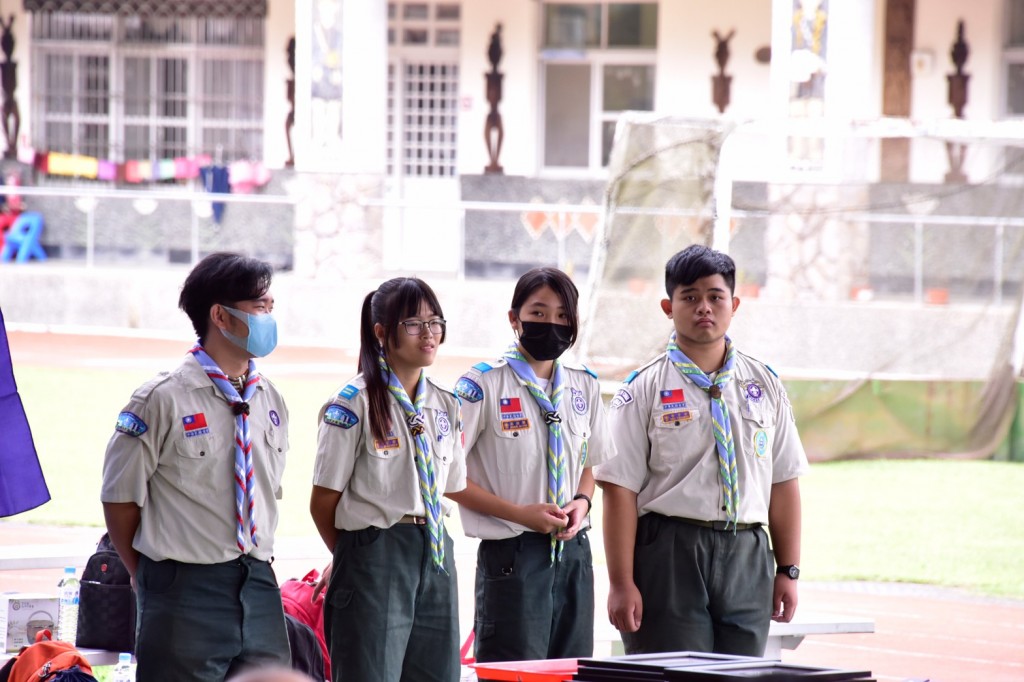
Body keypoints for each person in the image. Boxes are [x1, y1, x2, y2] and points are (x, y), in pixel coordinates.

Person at [595, 244, 809, 657]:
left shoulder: (763, 384)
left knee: (742, 671)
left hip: (746, 552)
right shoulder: (642, 388)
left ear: (735, 304)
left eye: (715, 296)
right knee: (675, 670)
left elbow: (783, 482)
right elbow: (619, 490)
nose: (703, 308)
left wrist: (788, 569)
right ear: (667, 306)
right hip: (671, 553)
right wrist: (621, 583)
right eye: (689, 297)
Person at [101, 252, 291, 681]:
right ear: (220, 316)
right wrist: (150, 577)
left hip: (258, 581)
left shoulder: (270, 399)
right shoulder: (161, 399)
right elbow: (120, 499)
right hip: (184, 590)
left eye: (271, 307)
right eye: (259, 307)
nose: (269, 317)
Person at [449, 267, 614, 663]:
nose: (551, 324)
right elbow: (447, 476)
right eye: (538, 313)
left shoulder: (584, 384)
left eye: (562, 315)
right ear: (514, 318)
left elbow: (590, 461)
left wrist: (582, 501)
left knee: (572, 669)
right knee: (516, 671)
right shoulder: (481, 386)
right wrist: (520, 515)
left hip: (573, 553)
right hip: (512, 556)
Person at [309, 277, 465, 682]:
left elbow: (453, 484)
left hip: (434, 549)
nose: (428, 334)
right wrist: (354, 556)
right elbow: (323, 500)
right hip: (375, 551)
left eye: (435, 322)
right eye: (413, 323)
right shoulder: (352, 403)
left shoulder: (446, 405)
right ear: (381, 332)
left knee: (438, 673)